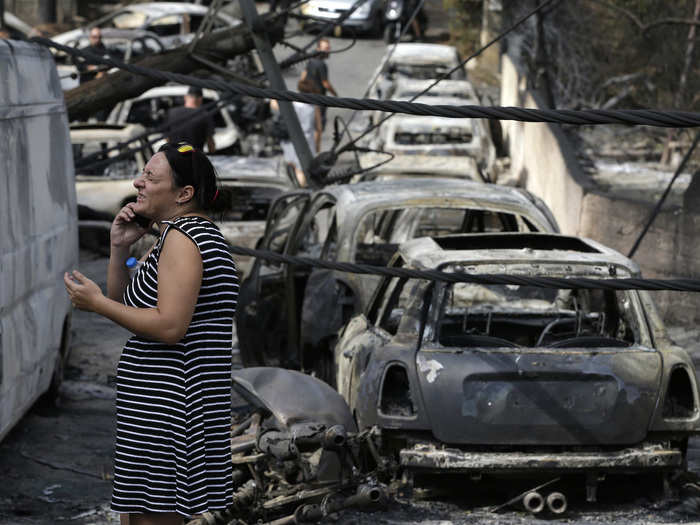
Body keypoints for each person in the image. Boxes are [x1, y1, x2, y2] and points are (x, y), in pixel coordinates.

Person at [64, 142, 238, 525]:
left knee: (151, 520)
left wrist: (95, 304)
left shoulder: (184, 239)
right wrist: (119, 249)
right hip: (162, 408)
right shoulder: (184, 235)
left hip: (170, 410)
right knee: (140, 517)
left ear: (183, 194)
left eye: (149, 177)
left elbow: (170, 327)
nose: (136, 182)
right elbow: (127, 304)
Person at [270, 77, 322, 187]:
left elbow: (274, 105)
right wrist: (317, 144)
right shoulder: (313, 105)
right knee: (302, 169)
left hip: (290, 139)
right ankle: (299, 189)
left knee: (291, 165)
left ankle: (291, 187)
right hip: (306, 140)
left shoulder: (291, 102)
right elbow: (318, 128)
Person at [301, 38, 337, 130]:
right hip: (319, 99)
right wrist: (335, 95)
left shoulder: (311, 60)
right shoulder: (321, 64)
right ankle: (315, 145)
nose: (328, 51)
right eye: (326, 48)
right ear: (318, 49)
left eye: (329, 48)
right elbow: (325, 84)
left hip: (307, 97)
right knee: (318, 127)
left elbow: (303, 76)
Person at [166, 86, 216, 153]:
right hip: (194, 159)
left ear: (185, 97)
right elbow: (211, 145)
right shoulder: (205, 115)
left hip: (174, 158)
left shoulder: (171, 113)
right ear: (200, 99)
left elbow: (167, 138)